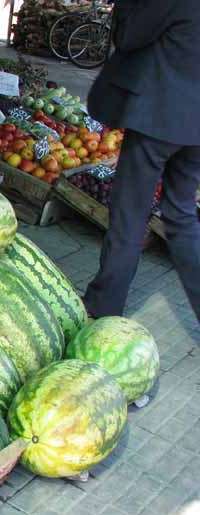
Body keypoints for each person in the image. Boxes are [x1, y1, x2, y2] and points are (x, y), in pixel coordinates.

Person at [84, 0, 200, 321]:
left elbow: (130, 35)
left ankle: (103, 304)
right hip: (195, 127)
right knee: (181, 217)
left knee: (129, 215)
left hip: (158, 118)